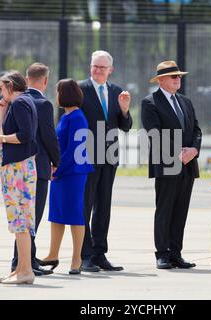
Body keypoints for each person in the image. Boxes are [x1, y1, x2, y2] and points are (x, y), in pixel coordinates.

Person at [141, 60, 202, 270]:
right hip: (167, 164)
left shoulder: (185, 101)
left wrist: (193, 150)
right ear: (161, 80)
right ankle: (162, 253)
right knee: (165, 209)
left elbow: (197, 130)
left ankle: (176, 253)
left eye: (179, 76)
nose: (179, 79)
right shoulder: (150, 102)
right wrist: (178, 153)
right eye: (174, 76)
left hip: (188, 164)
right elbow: (154, 133)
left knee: (180, 210)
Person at [78, 50, 132, 272]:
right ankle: (85, 255)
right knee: (85, 206)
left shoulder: (117, 92)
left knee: (103, 207)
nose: (97, 70)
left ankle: (100, 253)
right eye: (94, 66)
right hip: (86, 156)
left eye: (102, 67)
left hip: (109, 157)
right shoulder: (80, 89)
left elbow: (125, 126)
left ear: (111, 70)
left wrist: (125, 110)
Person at [0, 71, 38, 285]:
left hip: (18, 169)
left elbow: (25, 135)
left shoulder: (21, 103)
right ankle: (21, 269)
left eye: (1, 87)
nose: (0, 92)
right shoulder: (18, 104)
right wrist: (1, 113)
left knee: (20, 220)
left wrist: (3, 137)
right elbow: (2, 139)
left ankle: (26, 271)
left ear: (10, 85)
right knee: (20, 221)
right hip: (17, 167)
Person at [10, 63, 60, 276]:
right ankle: (21, 262)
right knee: (33, 217)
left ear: (27, 78)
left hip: (20, 166)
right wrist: (56, 161)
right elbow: (49, 136)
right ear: (45, 81)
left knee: (24, 217)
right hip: (38, 168)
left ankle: (28, 258)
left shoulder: (18, 101)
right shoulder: (43, 103)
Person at [42, 79, 94, 275]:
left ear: (65, 94)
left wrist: (57, 168)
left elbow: (73, 150)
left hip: (72, 173)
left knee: (74, 216)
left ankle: (76, 259)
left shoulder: (77, 117)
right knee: (57, 214)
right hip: (62, 171)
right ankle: (52, 254)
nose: (55, 96)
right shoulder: (66, 116)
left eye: (57, 92)